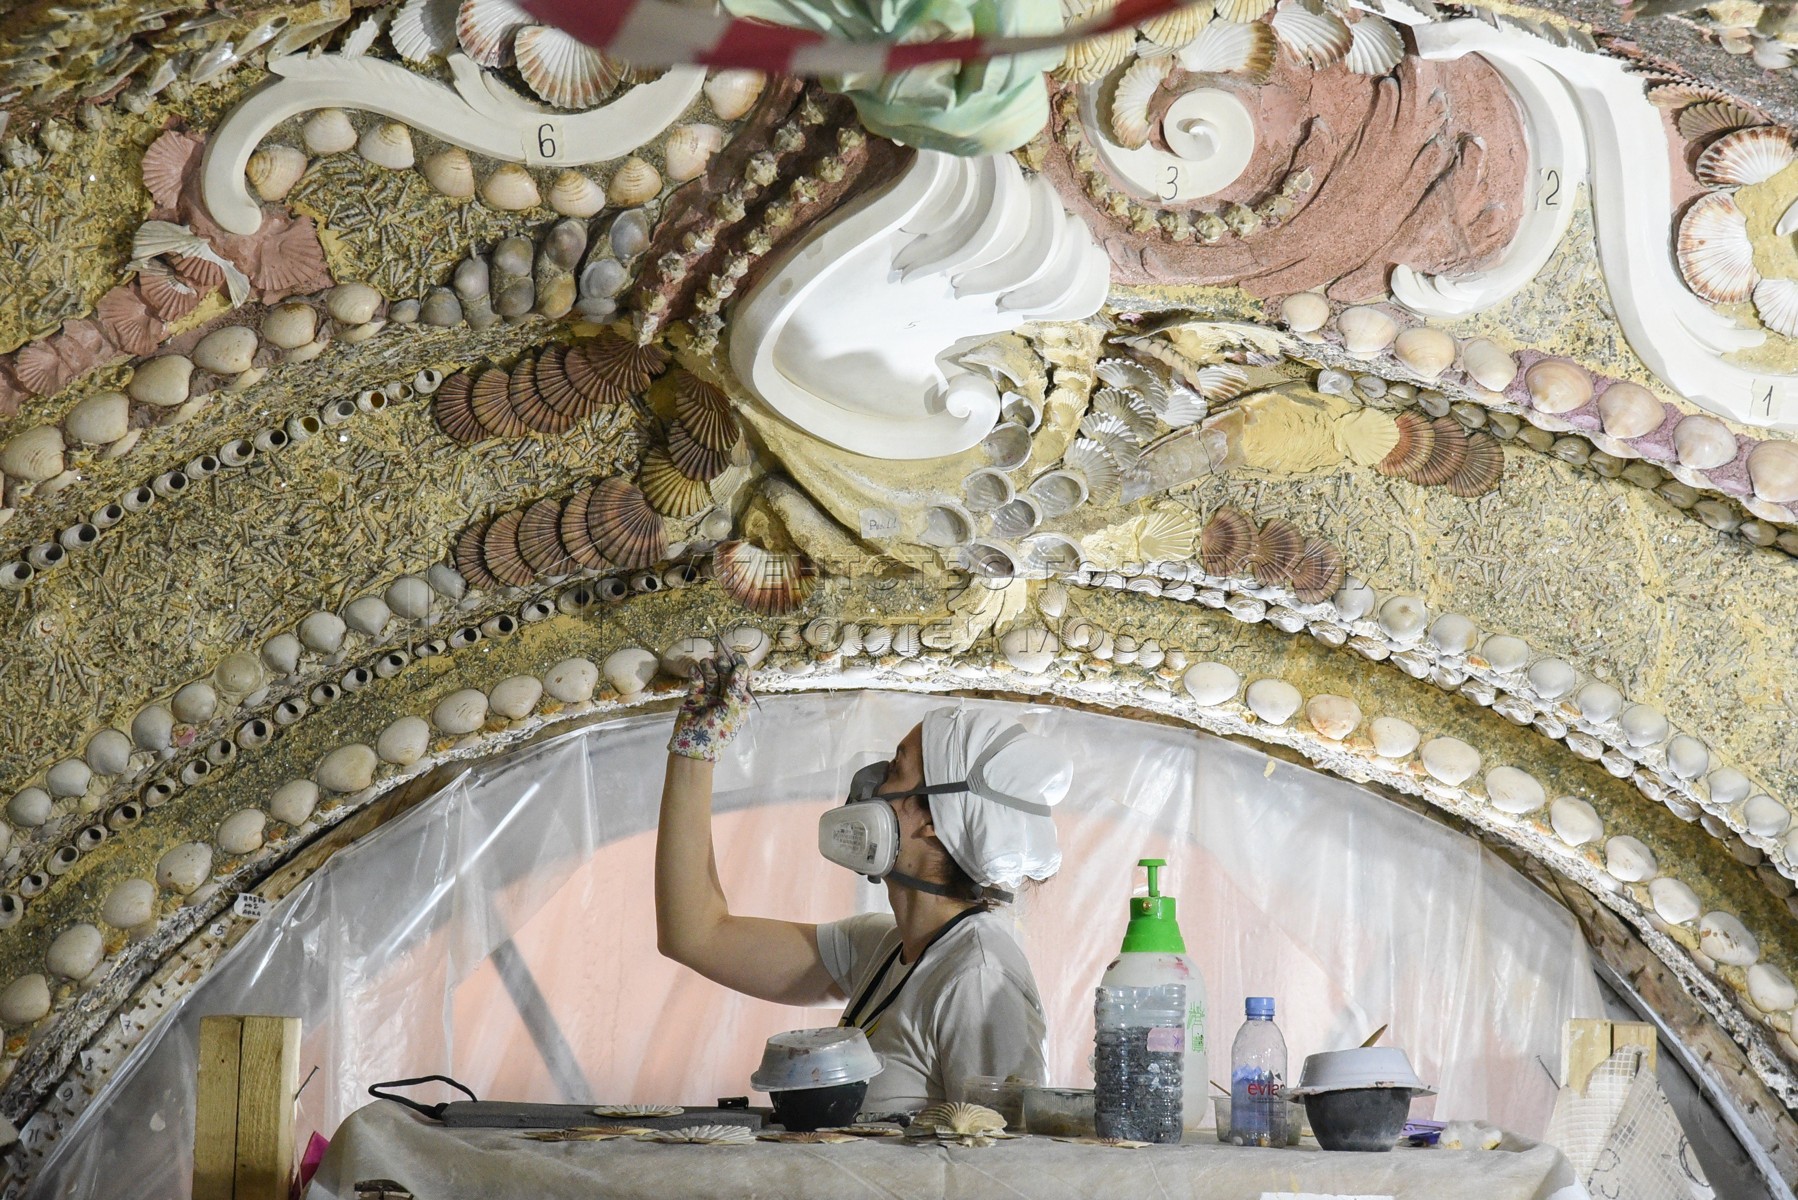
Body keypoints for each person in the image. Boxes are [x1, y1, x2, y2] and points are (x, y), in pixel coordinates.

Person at [656, 657, 1076, 1112]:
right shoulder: (883, 949)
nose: (872, 785)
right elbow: (696, 934)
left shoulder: (979, 977)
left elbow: (1004, 1149)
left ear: (937, 820)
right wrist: (693, 754)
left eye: (895, 770)